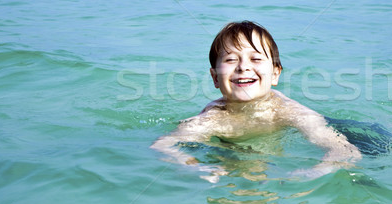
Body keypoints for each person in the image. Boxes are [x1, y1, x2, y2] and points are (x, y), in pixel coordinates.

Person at [150, 21, 362, 182]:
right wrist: (197, 167)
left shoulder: (287, 111)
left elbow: (345, 150)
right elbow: (163, 145)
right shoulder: (214, 118)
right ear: (215, 77)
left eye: (256, 59)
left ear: (275, 74)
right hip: (229, 149)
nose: (243, 67)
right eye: (231, 59)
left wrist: (313, 172)